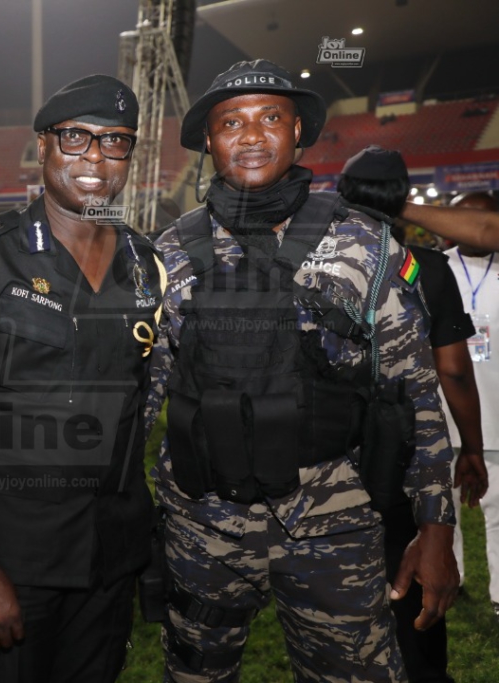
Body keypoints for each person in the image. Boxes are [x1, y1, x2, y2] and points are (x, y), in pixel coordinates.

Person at [147, 59, 459, 682]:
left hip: (333, 519)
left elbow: (417, 391)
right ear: (208, 141)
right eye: (231, 122)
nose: (253, 134)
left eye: (271, 117)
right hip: (201, 520)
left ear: (298, 133)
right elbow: (140, 391)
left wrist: (436, 529)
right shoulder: (169, 252)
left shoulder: (366, 244)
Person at [0, 75, 161, 682]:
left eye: (116, 142)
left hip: (110, 561)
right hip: (13, 561)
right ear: (45, 146)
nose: (95, 158)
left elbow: (140, 408)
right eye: (76, 138)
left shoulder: (144, 262)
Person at [339, 145, 488, 683]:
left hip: (330, 456)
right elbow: (452, 371)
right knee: (411, 585)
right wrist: (471, 447)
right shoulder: (427, 268)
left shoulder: (316, 264)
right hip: (404, 449)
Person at [437, 191, 499, 622]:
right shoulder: (434, 268)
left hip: (497, 410)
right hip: (441, 413)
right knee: (441, 508)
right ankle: (449, 579)